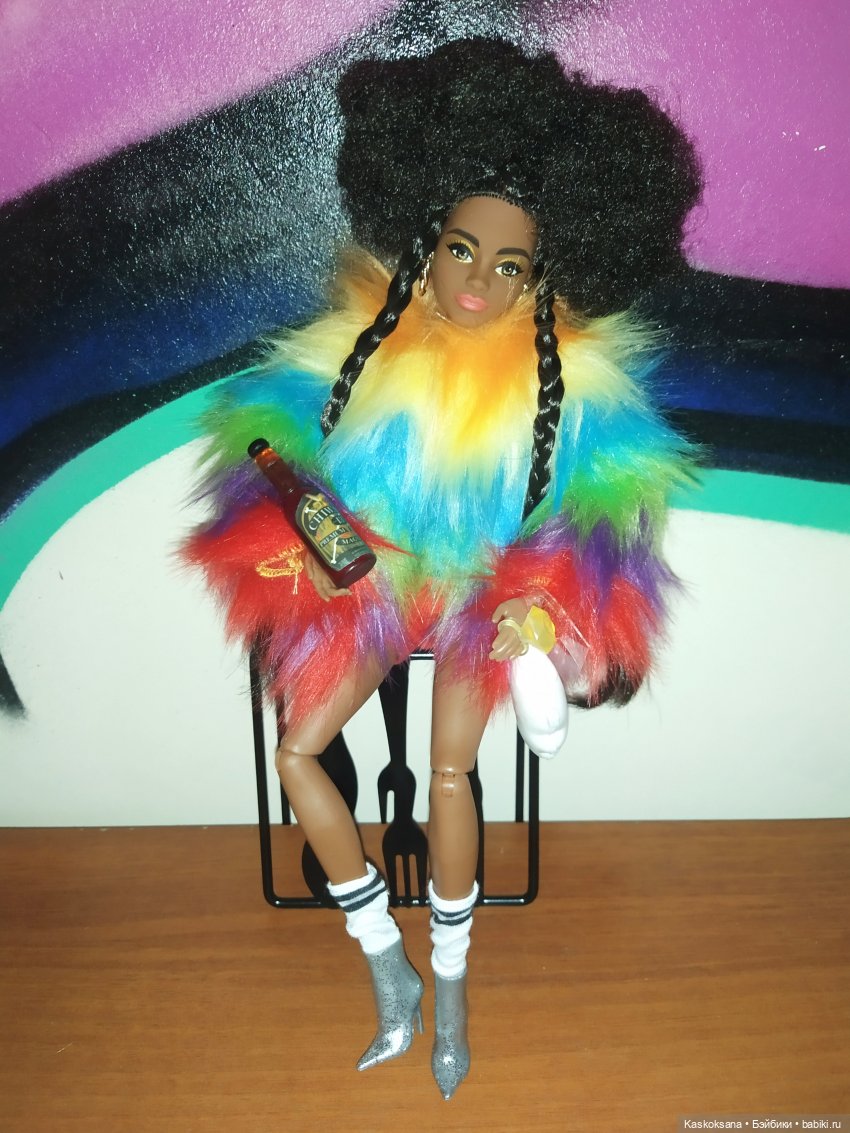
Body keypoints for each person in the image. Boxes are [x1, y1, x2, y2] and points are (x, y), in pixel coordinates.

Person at [183, 37, 701, 1099]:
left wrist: (540, 603)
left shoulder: (576, 385)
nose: (478, 280)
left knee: (454, 771)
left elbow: (605, 514)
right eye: (463, 249)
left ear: (544, 275)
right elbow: (263, 434)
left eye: (511, 266)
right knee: (298, 752)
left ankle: (452, 986)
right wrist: (316, 531)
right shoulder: (361, 345)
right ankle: (388, 965)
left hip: (476, 599)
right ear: (425, 241)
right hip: (371, 584)